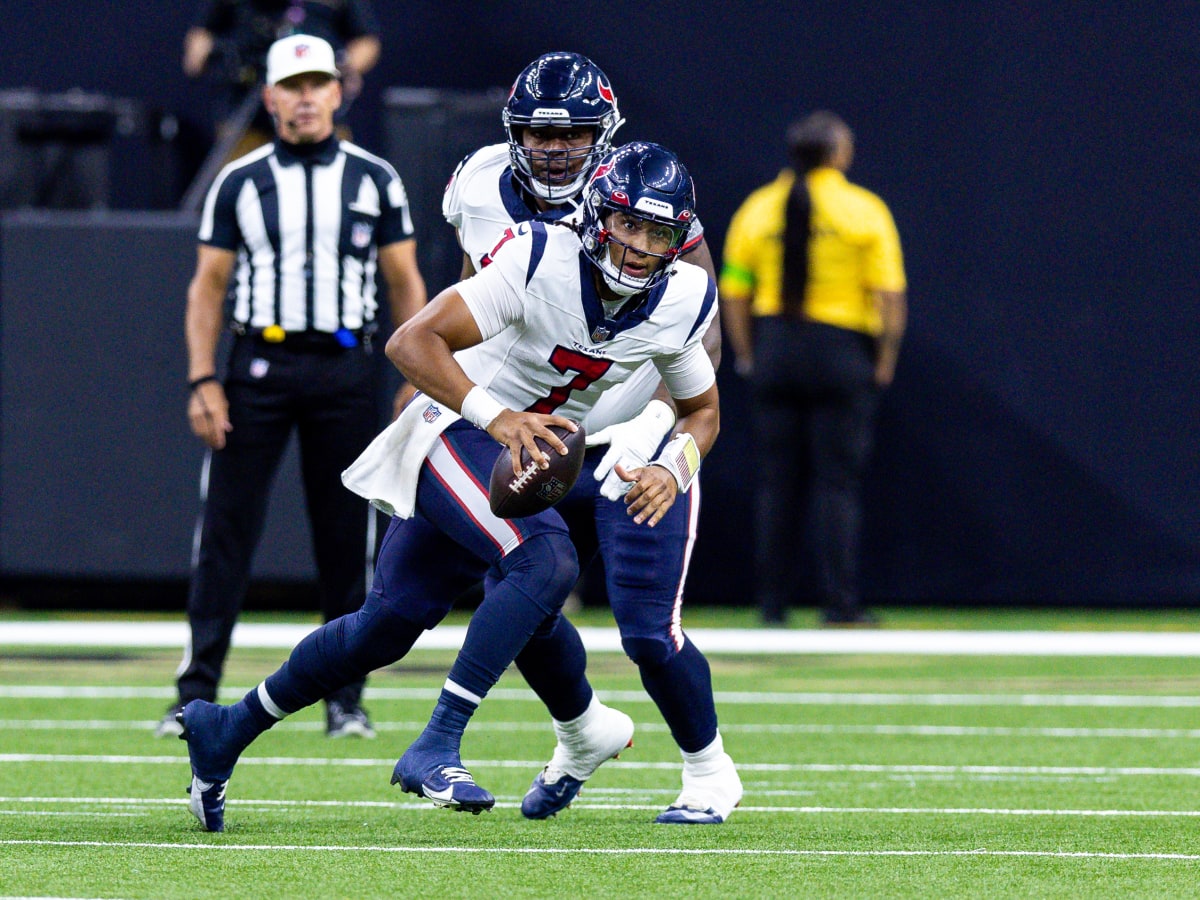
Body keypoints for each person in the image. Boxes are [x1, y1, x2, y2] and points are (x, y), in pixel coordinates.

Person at [176, 140, 737, 833]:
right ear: (597, 217)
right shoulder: (538, 256)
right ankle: (438, 741)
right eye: (627, 224)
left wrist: (673, 465)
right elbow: (411, 343)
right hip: (453, 426)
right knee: (546, 559)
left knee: (384, 626)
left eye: (658, 234)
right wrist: (496, 416)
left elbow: (703, 410)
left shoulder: (680, 298)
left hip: (518, 449)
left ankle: (224, 729)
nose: (639, 247)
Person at [441, 52, 739, 824]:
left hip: (626, 428)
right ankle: (581, 735)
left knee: (646, 627)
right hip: (530, 428)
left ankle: (709, 772)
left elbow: (695, 344)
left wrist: (665, 445)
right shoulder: (481, 187)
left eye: (575, 132)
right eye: (541, 134)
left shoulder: (654, 209)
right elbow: (470, 302)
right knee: (520, 592)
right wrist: (479, 408)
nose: (555, 148)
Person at [157, 34, 427, 742]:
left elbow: (406, 284)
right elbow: (206, 289)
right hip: (259, 367)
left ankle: (345, 698)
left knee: (346, 538)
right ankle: (194, 691)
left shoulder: (375, 179)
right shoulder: (239, 180)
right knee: (224, 531)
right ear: (270, 96)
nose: (305, 98)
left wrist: (414, 377)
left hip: (347, 367)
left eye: (317, 84)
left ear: (339, 92)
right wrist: (201, 377)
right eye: (292, 86)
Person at [719, 111, 907, 627]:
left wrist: (748, 354)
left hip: (776, 346)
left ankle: (772, 605)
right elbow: (889, 294)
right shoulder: (863, 211)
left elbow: (733, 290)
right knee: (836, 484)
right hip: (842, 351)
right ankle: (839, 603)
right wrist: (885, 359)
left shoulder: (758, 210)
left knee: (777, 484)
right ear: (838, 153)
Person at [183, 0, 381, 162]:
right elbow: (200, 37)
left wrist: (344, 66)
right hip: (247, 110)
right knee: (242, 178)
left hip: (317, 111)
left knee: (338, 179)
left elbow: (367, 41)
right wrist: (208, 54)